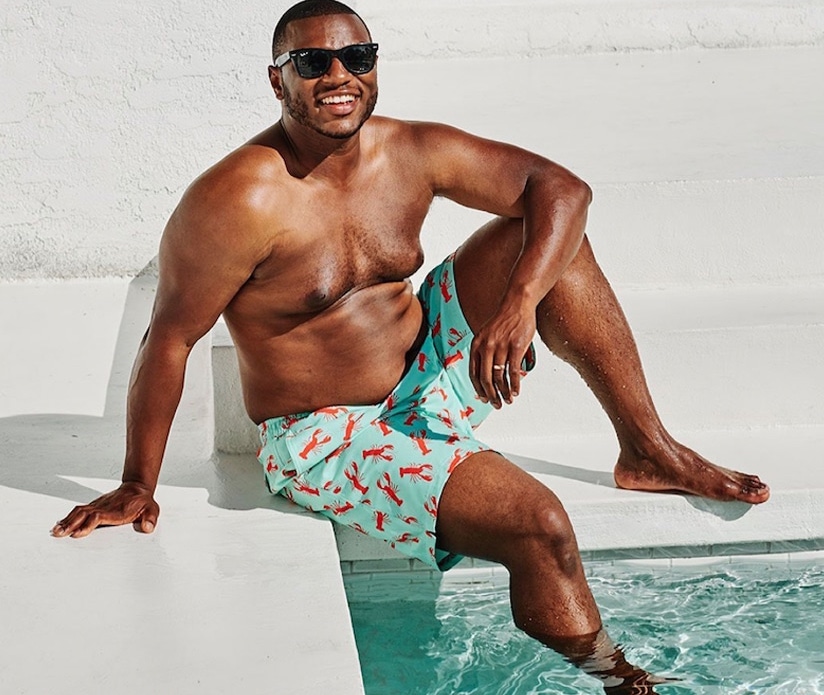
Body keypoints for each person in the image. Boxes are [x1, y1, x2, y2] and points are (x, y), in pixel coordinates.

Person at [52, 1, 770, 691]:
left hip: (426, 368)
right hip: (330, 433)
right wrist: (137, 483)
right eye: (313, 61)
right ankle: (624, 683)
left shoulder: (409, 151)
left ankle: (646, 450)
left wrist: (518, 304)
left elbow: (563, 188)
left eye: (356, 56)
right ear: (279, 79)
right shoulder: (237, 200)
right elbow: (171, 337)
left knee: (552, 243)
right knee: (539, 525)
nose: (339, 75)